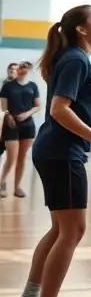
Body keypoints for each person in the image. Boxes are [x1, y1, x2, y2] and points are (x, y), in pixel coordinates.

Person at [4, 5, 91, 297]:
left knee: (61, 229)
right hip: (61, 151)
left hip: (55, 149)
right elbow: (59, 110)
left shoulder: (74, 58)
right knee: (73, 231)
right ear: (81, 29)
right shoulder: (76, 59)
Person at [0, 62, 41, 198]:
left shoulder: (33, 86)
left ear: (29, 70)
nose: (23, 69)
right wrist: (8, 116)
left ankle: (17, 187)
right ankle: (2, 182)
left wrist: (26, 114)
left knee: (21, 159)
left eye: (25, 67)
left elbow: (37, 106)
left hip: (27, 126)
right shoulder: (8, 86)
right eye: (21, 67)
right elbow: (4, 107)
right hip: (11, 125)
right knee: (11, 158)